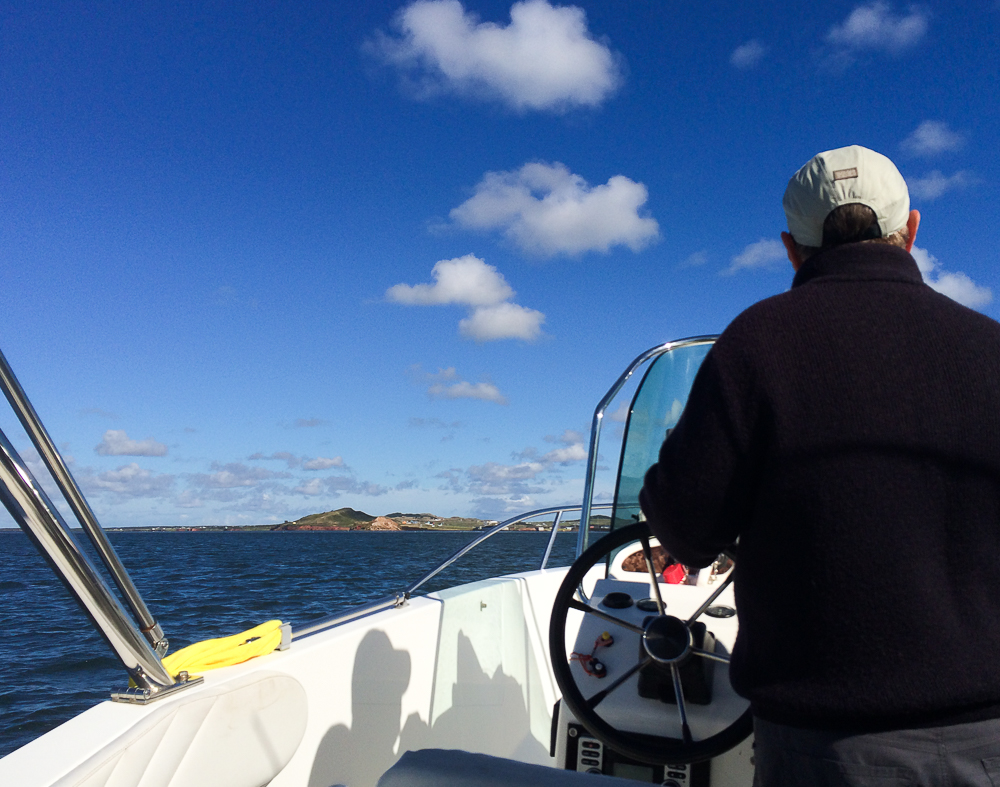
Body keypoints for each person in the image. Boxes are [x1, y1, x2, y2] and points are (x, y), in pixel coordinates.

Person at [639, 145, 1000, 786]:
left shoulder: (756, 343)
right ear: (911, 229)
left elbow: (689, 532)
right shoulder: (990, 349)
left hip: (827, 753)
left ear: (791, 247)